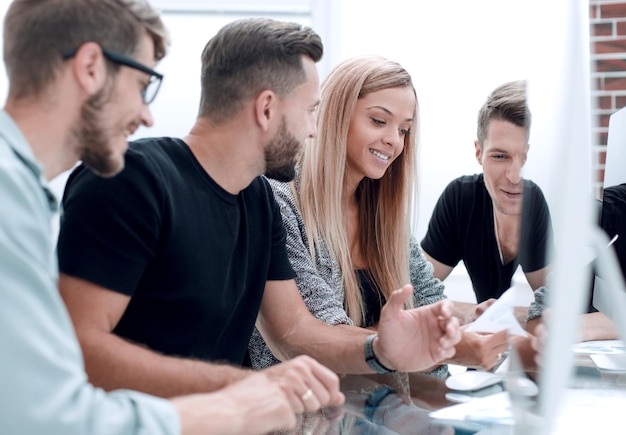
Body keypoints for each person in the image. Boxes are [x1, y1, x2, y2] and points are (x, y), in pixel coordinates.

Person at [56, 17, 462, 400]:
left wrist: (380, 349)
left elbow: (293, 331)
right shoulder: (129, 179)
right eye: (308, 111)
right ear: (266, 108)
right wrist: (241, 387)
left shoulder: (259, 201)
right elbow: (79, 350)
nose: (314, 130)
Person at [0, 1, 342, 434]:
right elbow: (47, 412)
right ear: (89, 67)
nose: (147, 114)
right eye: (143, 84)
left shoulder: (22, 193)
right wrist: (234, 403)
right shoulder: (11, 192)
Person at [246, 55, 508, 374]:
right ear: (335, 116)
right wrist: (444, 347)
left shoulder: (382, 215)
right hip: (305, 416)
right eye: (379, 121)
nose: (394, 141)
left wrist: (462, 326)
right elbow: (318, 337)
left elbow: (427, 302)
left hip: (382, 412)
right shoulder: (277, 201)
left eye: (404, 130)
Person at [421, 80, 554, 321]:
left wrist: (500, 315)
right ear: (478, 152)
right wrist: (473, 313)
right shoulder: (460, 199)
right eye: (500, 156)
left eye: (521, 156)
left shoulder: (533, 202)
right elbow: (413, 294)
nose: (514, 176)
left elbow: (555, 306)